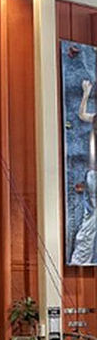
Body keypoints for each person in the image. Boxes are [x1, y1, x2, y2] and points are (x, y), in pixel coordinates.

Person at [71, 80, 96, 265]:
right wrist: (86, 93)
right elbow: (82, 115)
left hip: (92, 174)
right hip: (93, 173)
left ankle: (81, 258)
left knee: (91, 215)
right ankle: (81, 258)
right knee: (91, 216)